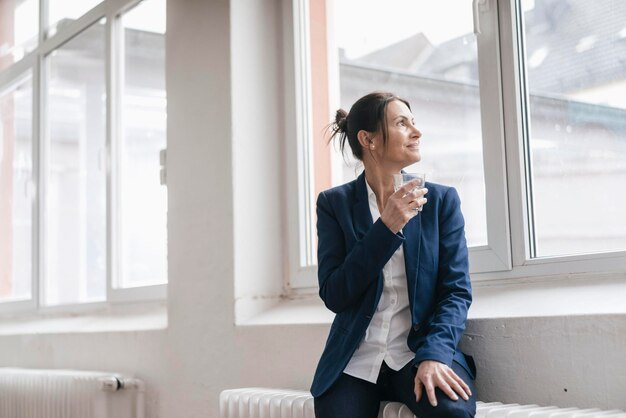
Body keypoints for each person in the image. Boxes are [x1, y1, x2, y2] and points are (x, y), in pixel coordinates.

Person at [310, 92, 476, 418]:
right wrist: (385, 228)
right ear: (368, 140)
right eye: (402, 123)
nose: (417, 132)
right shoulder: (334, 204)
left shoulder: (441, 202)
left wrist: (435, 355)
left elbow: (456, 291)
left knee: (452, 412)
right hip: (355, 360)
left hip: (417, 353)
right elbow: (335, 294)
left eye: (414, 122)